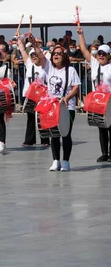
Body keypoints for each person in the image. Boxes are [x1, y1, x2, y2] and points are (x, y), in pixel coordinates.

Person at [34, 44, 80, 172]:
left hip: (67, 107)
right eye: (54, 53)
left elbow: (76, 87)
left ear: (64, 56)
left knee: (66, 134)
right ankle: (55, 160)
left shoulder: (70, 70)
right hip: (51, 107)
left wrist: (67, 97)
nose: (56, 55)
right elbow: (40, 56)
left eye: (59, 53)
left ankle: (66, 161)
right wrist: (33, 44)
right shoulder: (49, 68)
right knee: (53, 134)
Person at [77, 27, 111, 162]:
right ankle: (104, 153)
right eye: (99, 53)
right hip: (98, 101)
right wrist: (81, 35)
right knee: (101, 127)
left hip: (109, 100)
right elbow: (84, 50)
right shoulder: (95, 64)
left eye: (104, 53)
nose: (100, 55)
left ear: (109, 55)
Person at [17, 38, 49, 147]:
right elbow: (22, 51)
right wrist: (19, 40)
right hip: (30, 95)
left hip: (42, 96)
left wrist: (35, 45)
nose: (34, 57)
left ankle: (45, 140)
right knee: (30, 117)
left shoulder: (45, 66)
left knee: (41, 117)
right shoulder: (29, 65)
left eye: (36, 55)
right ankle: (29, 139)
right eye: (32, 55)